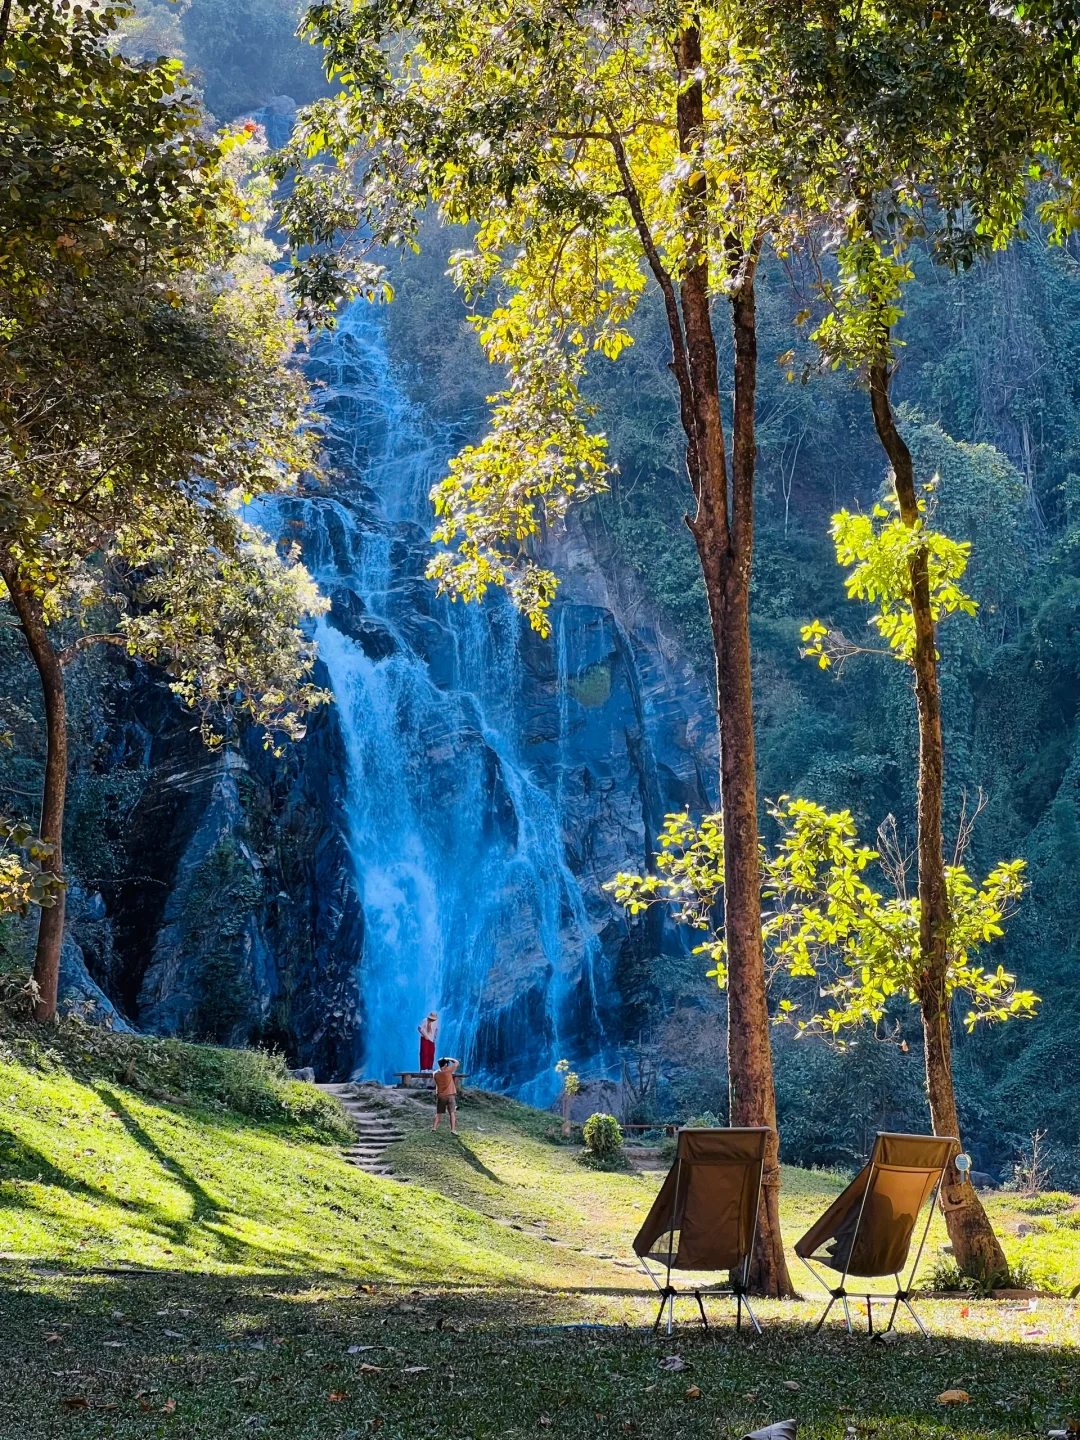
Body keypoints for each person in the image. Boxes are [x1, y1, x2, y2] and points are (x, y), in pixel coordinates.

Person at [432, 1057, 459, 1134]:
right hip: (450, 1094)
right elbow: (457, 1063)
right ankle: (453, 1130)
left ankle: (434, 1128)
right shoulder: (448, 1071)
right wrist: (449, 1058)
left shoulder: (435, 1074)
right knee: (452, 1113)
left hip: (441, 1095)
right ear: (446, 1065)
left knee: (439, 1113)